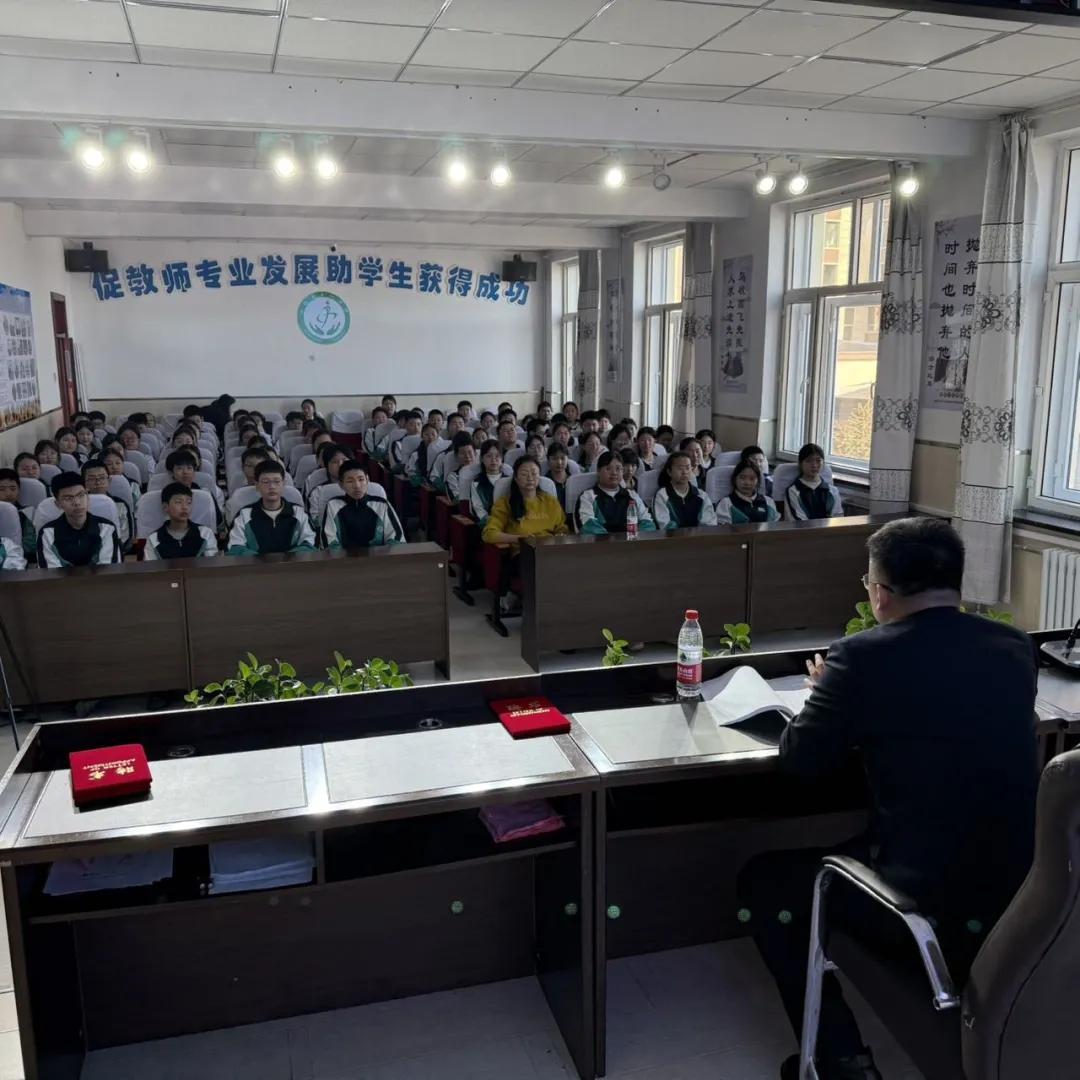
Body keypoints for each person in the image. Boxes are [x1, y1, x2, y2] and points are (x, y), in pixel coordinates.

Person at [737, 518, 1039, 1080]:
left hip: (922, 901)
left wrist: (827, 693)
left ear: (879, 592)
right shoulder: (1014, 646)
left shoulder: (861, 657)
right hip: (1019, 894)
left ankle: (842, 1061)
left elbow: (801, 762)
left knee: (767, 885)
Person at [227, 461, 315, 556]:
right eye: (266, 482)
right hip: (254, 565)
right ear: (257, 485)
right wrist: (262, 560)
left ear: (283, 484)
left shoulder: (298, 513)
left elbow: (310, 544)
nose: (272, 487)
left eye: (277, 481)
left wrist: (285, 559)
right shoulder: (244, 515)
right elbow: (236, 548)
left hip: (294, 564)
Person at [37, 472, 121, 567]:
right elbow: (51, 572)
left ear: (87, 496)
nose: (77, 503)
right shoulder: (47, 533)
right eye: (68, 498)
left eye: (81, 495)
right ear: (58, 504)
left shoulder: (106, 528)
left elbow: (108, 569)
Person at [482, 457, 567, 546]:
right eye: (524, 474)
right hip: (523, 549)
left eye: (534, 473)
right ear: (516, 478)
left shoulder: (550, 501)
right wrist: (519, 539)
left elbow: (562, 529)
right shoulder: (505, 503)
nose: (530, 478)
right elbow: (489, 534)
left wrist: (560, 536)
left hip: (549, 548)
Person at [321, 461, 404, 550]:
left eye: (361, 479)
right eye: (350, 481)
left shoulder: (382, 505)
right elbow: (329, 542)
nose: (357, 486)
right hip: (343, 557)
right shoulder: (333, 506)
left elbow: (396, 538)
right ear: (341, 485)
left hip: (379, 556)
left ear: (367, 480)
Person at [576, 451, 655, 535]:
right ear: (598, 471)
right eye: (608, 468)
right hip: (601, 542)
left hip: (632, 541)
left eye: (618, 469)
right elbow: (587, 526)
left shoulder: (632, 495)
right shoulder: (588, 496)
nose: (614, 473)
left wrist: (633, 537)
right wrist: (613, 540)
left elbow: (648, 522)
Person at [144, 483, 219, 559]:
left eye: (188, 502)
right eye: (178, 502)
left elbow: (212, 563)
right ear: (165, 507)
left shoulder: (205, 533)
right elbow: (151, 565)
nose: (185, 507)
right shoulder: (154, 539)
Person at [652, 451, 718, 529]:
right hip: (672, 536)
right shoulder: (662, 495)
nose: (684, 472)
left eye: (687, 468)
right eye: (680, 468)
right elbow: (664, 525)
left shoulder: (701, 495)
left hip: (699, 535)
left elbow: (709, 524)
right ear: (669, 472)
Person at [82, 459, 134, 550]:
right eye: (92, 479)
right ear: (83, 483)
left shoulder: (120, 505)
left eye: (102, 478)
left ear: (109, 480)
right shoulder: (79, 505)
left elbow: (125, 536)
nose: (98, 482)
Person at [786, 443, 844, 520]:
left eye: (818, 461)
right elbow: (799, 520)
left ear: (823, 463)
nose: (814, 465)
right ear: (800, 464)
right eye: (808, 461)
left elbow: (838, 518)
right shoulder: (793, 491)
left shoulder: (832, 491)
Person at [716, 460, 780, 525]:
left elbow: (774, 526)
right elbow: (724, 529)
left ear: (758, 481)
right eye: (742, 478)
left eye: (752, 479)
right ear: (735, 479)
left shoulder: (768, 502)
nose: (747, 483)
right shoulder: (726, 503)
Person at [470, 440, 511, 525]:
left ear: (502, 458)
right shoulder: (476, 483)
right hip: (488, 524)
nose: (493, 459)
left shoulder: (509, 481)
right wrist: (493, 522)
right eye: (489, 456)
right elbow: (478, 510)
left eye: (497, 456)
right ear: (482, 459)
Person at [0, 467, 35, 562]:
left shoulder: (25, 514)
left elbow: (31, 546)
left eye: (13, 489)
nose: (8, 493)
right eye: (1, 489)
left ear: (19, 490)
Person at [546, 443, 573, 511]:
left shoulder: (574, 481)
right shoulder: (544, 483)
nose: (559, 462)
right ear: (548, 460)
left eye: (562, 458)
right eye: (554, 458)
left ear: (567, 459)